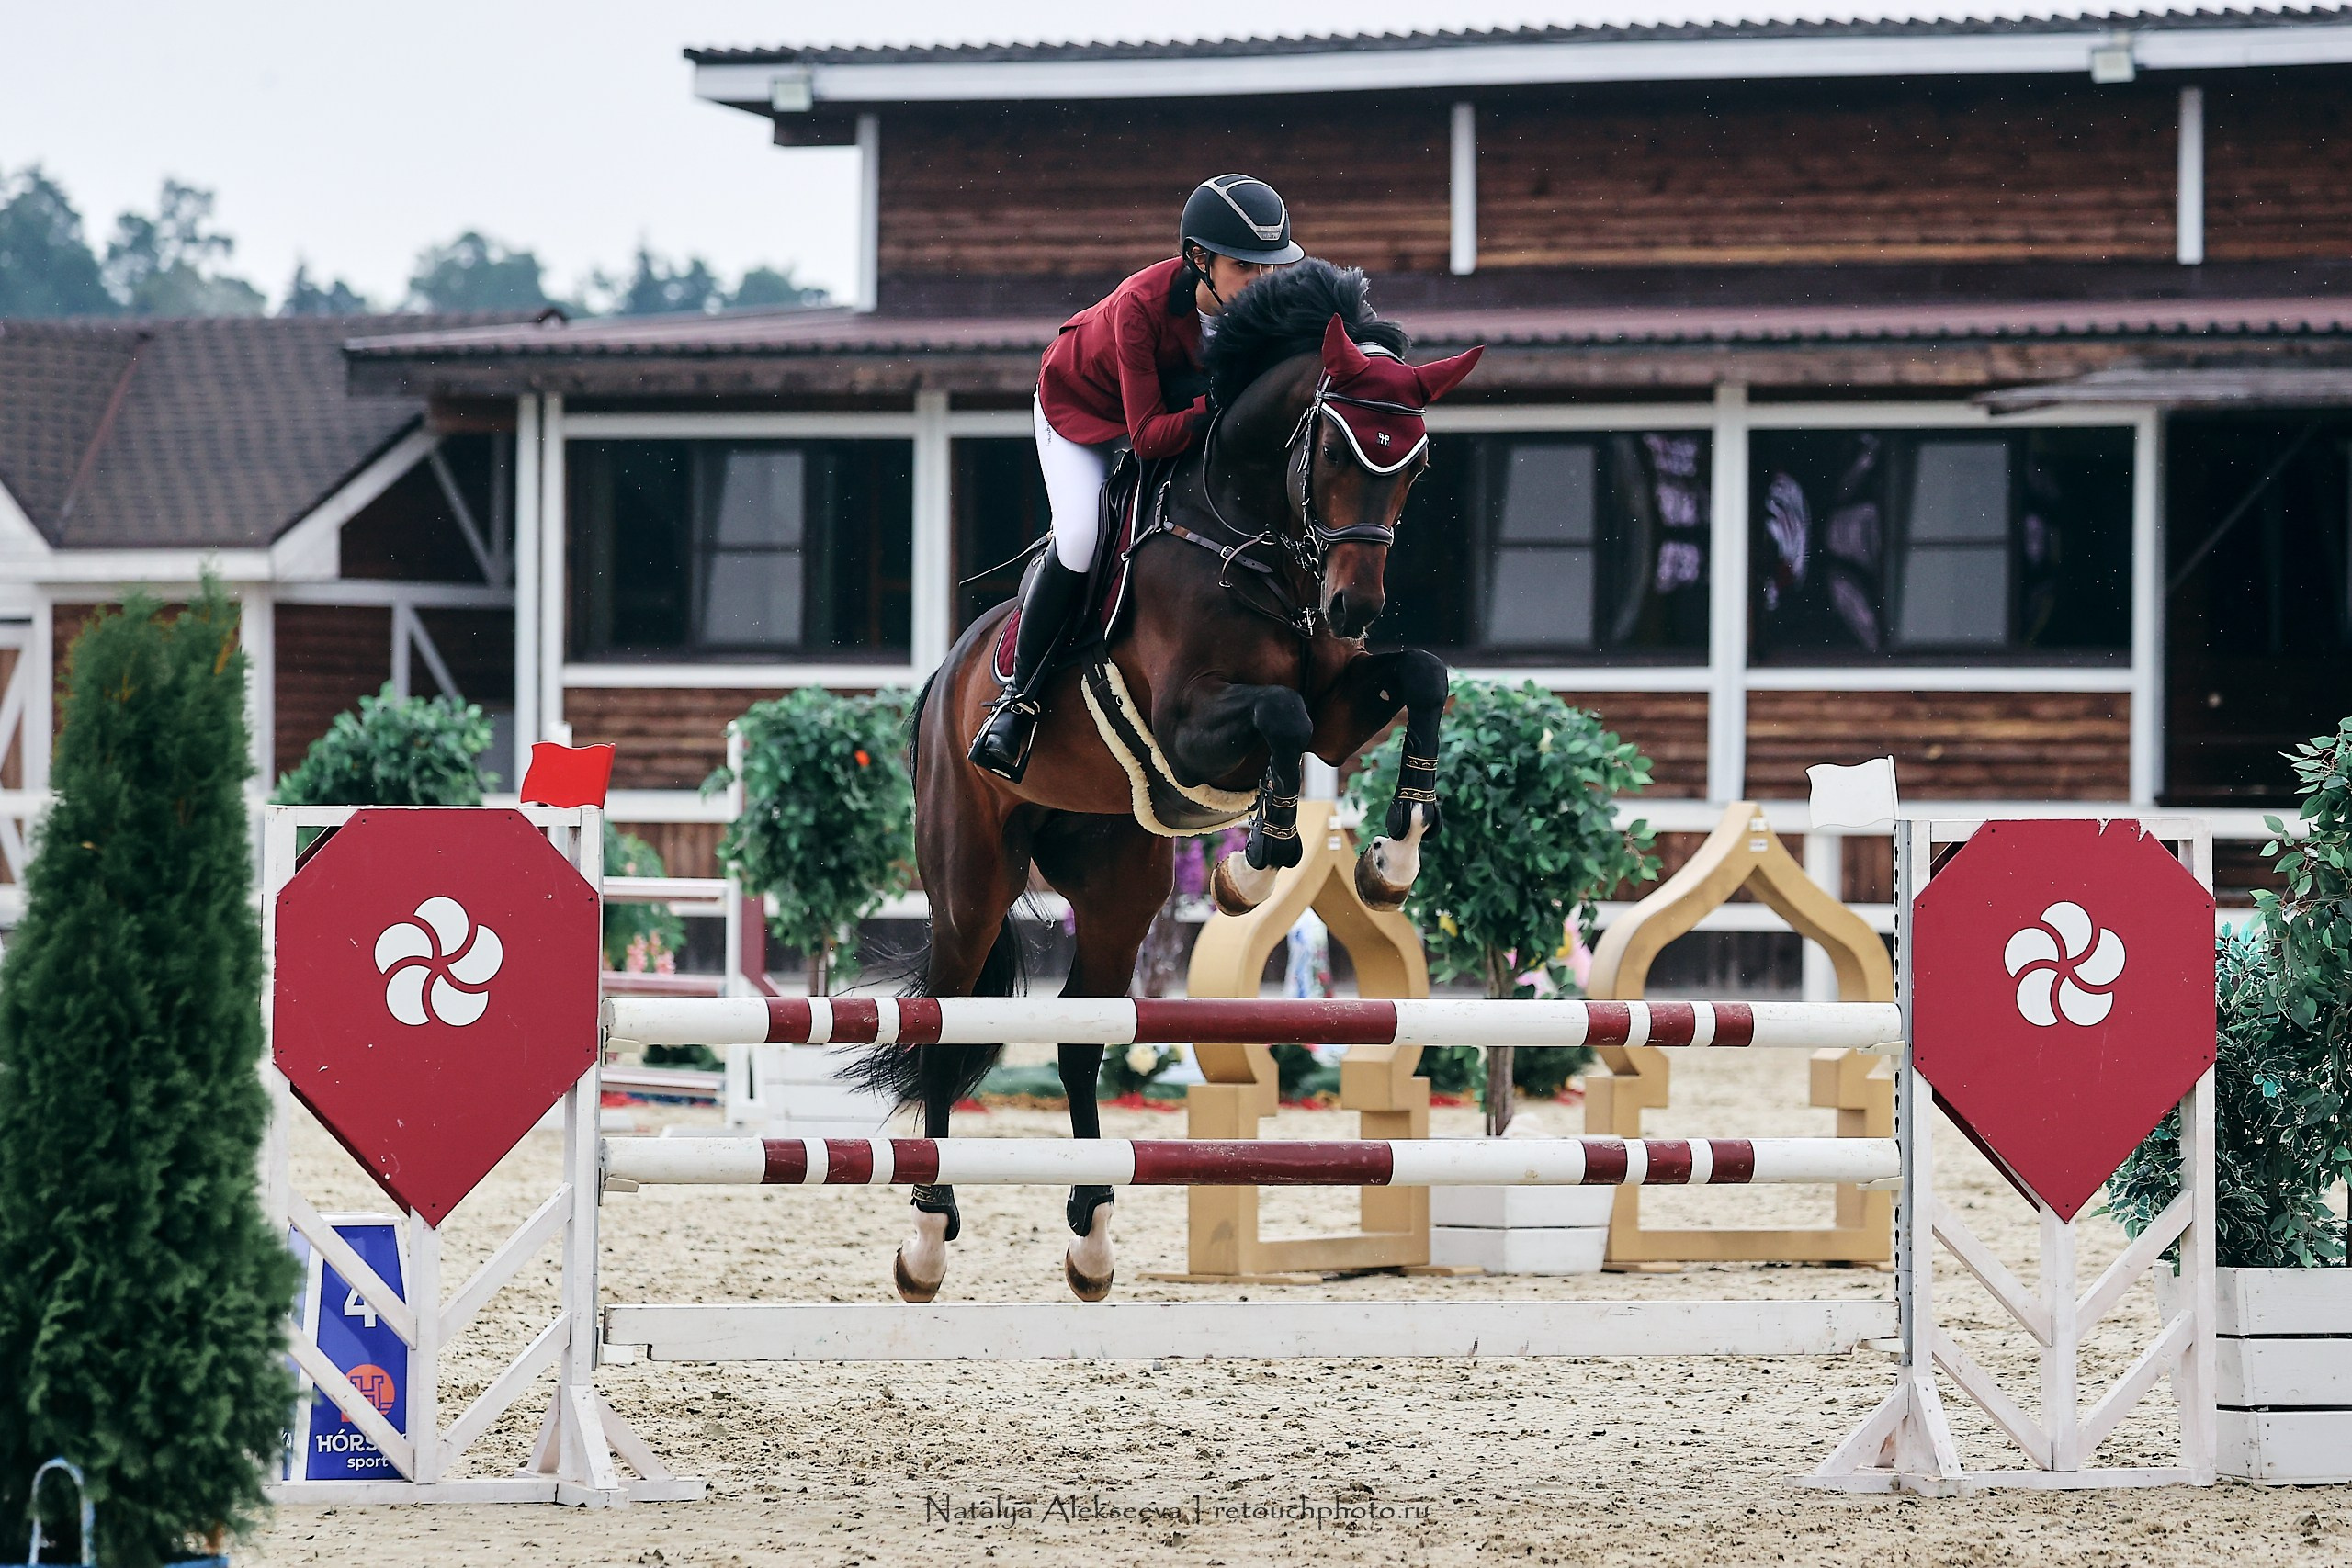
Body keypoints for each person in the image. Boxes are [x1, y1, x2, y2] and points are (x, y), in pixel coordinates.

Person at [968, 174, 1303, 781]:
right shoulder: (1139, 308)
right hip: (1079, 414)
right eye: (1246, 268)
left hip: (1172, 413)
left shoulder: (1266, 308)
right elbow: (1147, 437)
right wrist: (1221, 406)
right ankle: (1018, 699)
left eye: (1272, 268)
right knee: (1080, 535)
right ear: (1199, 260)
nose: (1264, 283)